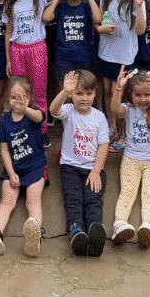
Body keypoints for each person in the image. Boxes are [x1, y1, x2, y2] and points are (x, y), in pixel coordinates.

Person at [0, 77, 48, 257]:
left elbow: (40, 118)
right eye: (13, 97)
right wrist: (11, 174)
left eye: (22, 97)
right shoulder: (4, 121)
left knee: (33, 200)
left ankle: (35, 238)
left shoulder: (33, 113)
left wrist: (25, 109)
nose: (17, 101)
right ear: (7, 98)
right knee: (7, 201)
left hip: (35, 166)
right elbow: (4, 150)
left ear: (29, 97)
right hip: (14, 169)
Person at [51, 69, 111, 256]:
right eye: (79, 93)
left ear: (95, 94)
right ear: (72, 95)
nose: (84, 98)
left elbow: (103, 145)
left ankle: (95, 230)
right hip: (70, 167)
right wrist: (64, 92)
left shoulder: (99, 117)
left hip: (93, 168)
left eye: (89, 93)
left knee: (93, 199)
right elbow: (53, 110)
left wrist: (96, 171)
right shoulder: (69, 111)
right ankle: (76, 231)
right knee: (73, 199)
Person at [109, 67, 150, 248]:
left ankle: (148, 227)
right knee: (127, 192)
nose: (143, 99)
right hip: (131, 159)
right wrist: (118, 88)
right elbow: (115, 109)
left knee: (149, 194)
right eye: (138, 95)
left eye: (147, 94)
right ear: (131, 95)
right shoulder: (128, 108)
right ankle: (120, 225)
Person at [4, 0, 59, 134]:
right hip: (17, 50)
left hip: (37, 49)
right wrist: (8, 60)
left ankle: (41, 131)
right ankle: (22, 129)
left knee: (39, 92)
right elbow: (8, 33)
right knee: (19, 91)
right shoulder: (10, 2)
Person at [95, 0, 148, 137]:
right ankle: (112, 126)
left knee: (120, 93)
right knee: (107, 92)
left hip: (124, 56)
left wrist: (139, 6)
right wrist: (101, 28)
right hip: (105, 53)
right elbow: (103, 21)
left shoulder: (135, 0)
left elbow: (140, 30)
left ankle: (123, 129)